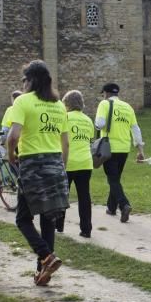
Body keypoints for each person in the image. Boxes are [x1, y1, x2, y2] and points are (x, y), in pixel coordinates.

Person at [7, 60, 69, 286]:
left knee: (23, 218)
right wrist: (61, 167)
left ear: (30, 80)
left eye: (24, 80)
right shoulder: (59, 105)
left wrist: (11, 155)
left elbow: (13, 136)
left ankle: (46, 256)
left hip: (33, 163)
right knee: (48, 219)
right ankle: (44, 272)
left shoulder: (23, 101)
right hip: (55, 163)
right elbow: (65, 144)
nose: (22, 84)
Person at [95, 82, 147, 222]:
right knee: (115, 178)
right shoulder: (127, 107)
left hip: (109, 148)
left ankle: (124, 205)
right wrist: (140, 150)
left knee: (112, 179)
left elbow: (99, 124)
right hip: (124, 148)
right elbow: (136, 129)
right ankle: (111, 208)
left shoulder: (104, 104)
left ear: (105, 93)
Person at [57, 90, 93, 238]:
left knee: (62, 195)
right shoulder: (88, 120)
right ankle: (86, 229)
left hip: (68, 161)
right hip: (86, 163)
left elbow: (60, 139)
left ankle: (58, 226)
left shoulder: (64, 117)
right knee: (84, 197)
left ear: (66, 103)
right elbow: (90, 140)